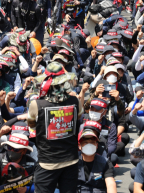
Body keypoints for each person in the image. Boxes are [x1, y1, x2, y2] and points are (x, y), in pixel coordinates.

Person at [27, 62, 86, 193]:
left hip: (47, 163)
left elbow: (31, 125)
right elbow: (78, 118)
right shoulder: (75, 101)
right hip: (70, 160)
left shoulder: (37, 104)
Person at [77, 128, 117, 193]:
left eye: (92, 143)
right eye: (86, 142)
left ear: (96, 145)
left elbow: (110, 184)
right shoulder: (74, 161)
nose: (89, 145)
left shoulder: (105, 162)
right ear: (79, 146)